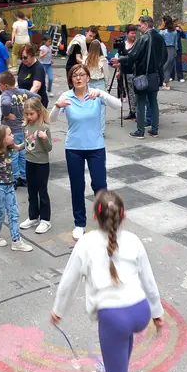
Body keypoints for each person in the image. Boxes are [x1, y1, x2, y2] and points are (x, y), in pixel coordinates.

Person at [51, 190, 164, 372]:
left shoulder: (86, 243)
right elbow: (149, 281)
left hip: (114, 317)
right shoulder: (134, 240)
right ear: (124, 216)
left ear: (94, 216)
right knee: (121, 349)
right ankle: (116, 370)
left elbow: (68, 283)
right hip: (139, 312)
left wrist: (58, 310)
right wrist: (157, 313)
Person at [51, 64, 121, 240]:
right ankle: (79, 223)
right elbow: (51, 120)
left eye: (82, 75)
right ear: (71, 79)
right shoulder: (66, 96)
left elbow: (118, 105)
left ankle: (105, 221)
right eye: (75, 75)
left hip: (96, 147)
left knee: (100, 185)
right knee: (77, 185)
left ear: (88, 78)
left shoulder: (96, 94)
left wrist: (102, 94)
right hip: (74, 148)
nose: (78, 78)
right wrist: (57, 106)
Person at [0, 125, 33, 252]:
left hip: (9, 186)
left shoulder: (10, 149)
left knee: (14, 213)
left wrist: (29, 139)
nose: (13, 135)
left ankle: (16, 241)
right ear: (2, 139)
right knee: (0, 213)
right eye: (9, 134)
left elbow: (22, 147)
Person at [112, 15, 165, 139]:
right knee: (153, 102)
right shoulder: (160, 37)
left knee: (140, 102)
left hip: (143, 74)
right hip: (155, 74)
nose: (139, 28)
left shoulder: (144, 38)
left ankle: (140, 131)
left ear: (145, 25)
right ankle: (154, 130)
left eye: (140, 25)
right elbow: (165, 56)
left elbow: (133, 55)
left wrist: (120, 59)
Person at [0, 71, 39, 188]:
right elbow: (37, 97)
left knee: (13, 154)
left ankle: (14, 178)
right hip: (24, 128)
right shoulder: (23, 92)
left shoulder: (6, 94)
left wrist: (7, 114)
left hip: (13, 130)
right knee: (23, 153)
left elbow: (5, 104)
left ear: (5, 86)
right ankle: (25, 176)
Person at [20, 97, 53, 234]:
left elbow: (49, 148)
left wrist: (44, 139)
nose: (29, 116)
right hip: (29, 162)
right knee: (31, 191)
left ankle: (45, 220)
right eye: (27, 114)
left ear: (38, 112)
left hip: (41, 163)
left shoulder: (44, 128)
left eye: (31, 114)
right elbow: (27, 142)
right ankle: (33, 216)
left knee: (42, 191)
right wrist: (18, 146)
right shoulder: (26, 126)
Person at [85, 40, 111, 133]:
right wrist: (106, 85)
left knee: (89, 106)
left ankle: (90, 128)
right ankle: (101, 130)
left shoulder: (86, 59)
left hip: (89, 83)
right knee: (101, 107)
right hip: (99, 82)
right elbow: (106, 74)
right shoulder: (103, 60)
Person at [117, 25, 138, 119]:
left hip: (134, 72)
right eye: (132, 33)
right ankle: (132, 111)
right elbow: (120, 58)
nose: (134, 35)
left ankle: (138, 111)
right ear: (127, 34)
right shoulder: (123, 44)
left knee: (135, 92)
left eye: (135, 33)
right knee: (128, 91)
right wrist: (118, 71)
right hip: (124, 71)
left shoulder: (137, 44)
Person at [160, 15, 180, 90]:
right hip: (172, 49)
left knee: (164, 66)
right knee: (169, 67)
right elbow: (176, 43)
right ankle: (167, 83)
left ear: (165, 22)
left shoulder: (162, 32)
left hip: (164, 49)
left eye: (163, 21)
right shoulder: (174, 32)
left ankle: (163, 82)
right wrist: (175, 51)